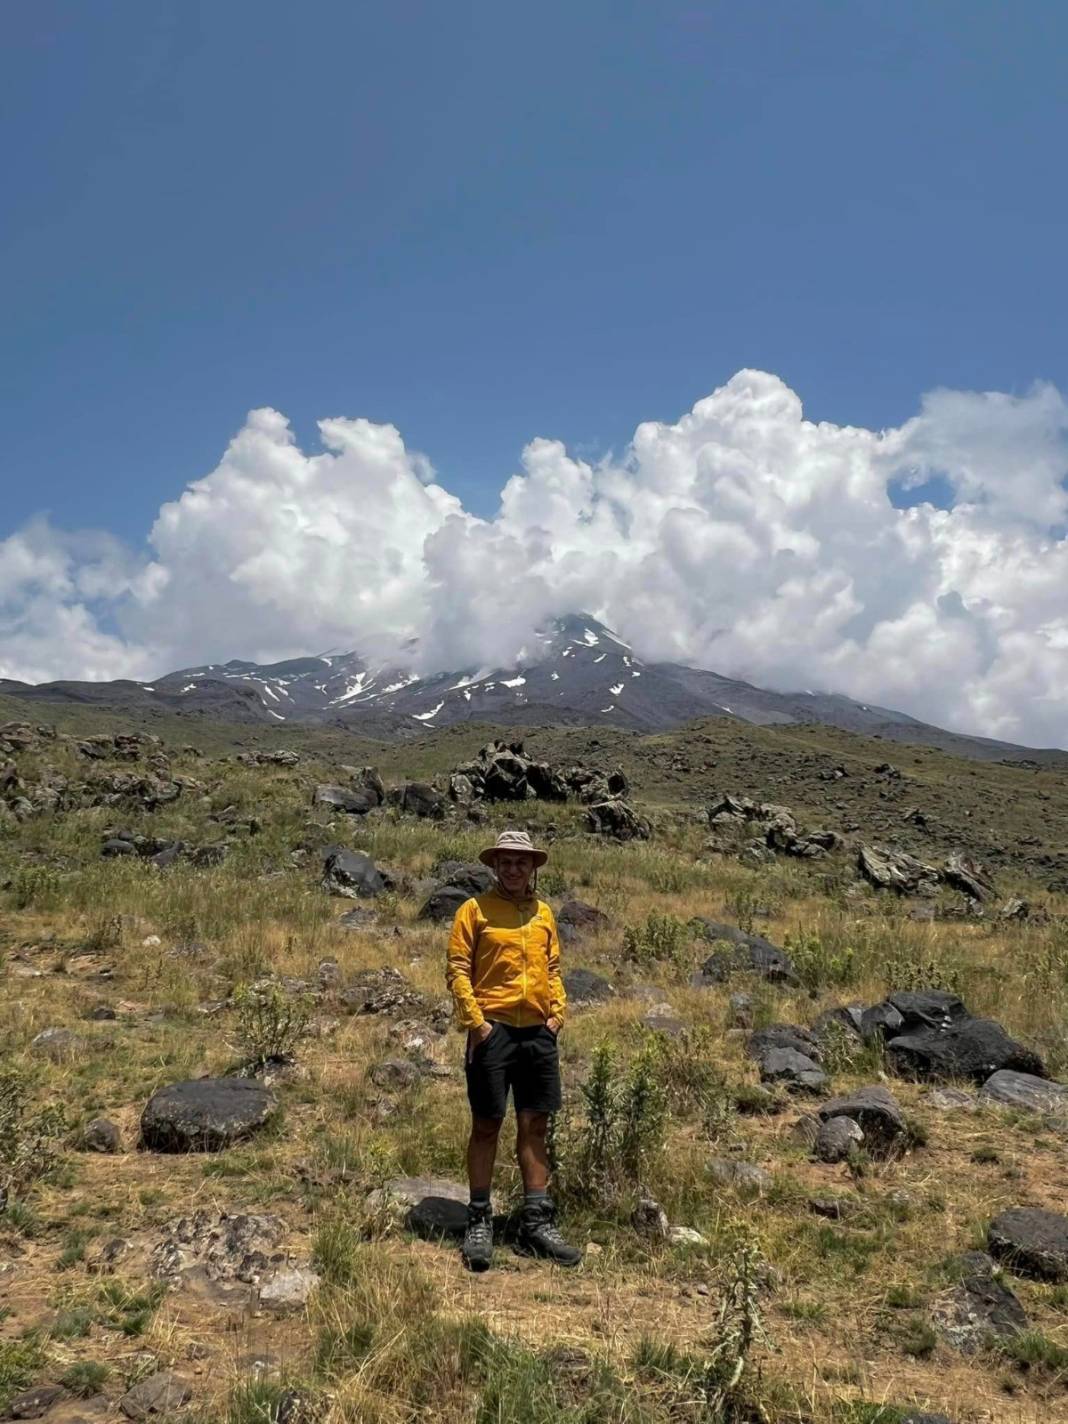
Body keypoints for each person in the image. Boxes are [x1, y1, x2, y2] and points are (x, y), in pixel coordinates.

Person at [445, 829, 581, 1271]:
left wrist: (556, 1015)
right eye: (506, 861)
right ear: (494, 865)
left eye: (522, 861)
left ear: (534, 867)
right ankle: (480, 1219)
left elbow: (554, 966)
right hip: (494, 1031)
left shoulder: (543, 913)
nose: (514, 868)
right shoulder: (475, 910)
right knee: (487, 1124)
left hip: (538, 1033)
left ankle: (536, 1223)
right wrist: (477, 1023)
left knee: (535, 1124)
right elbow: (458, 968)